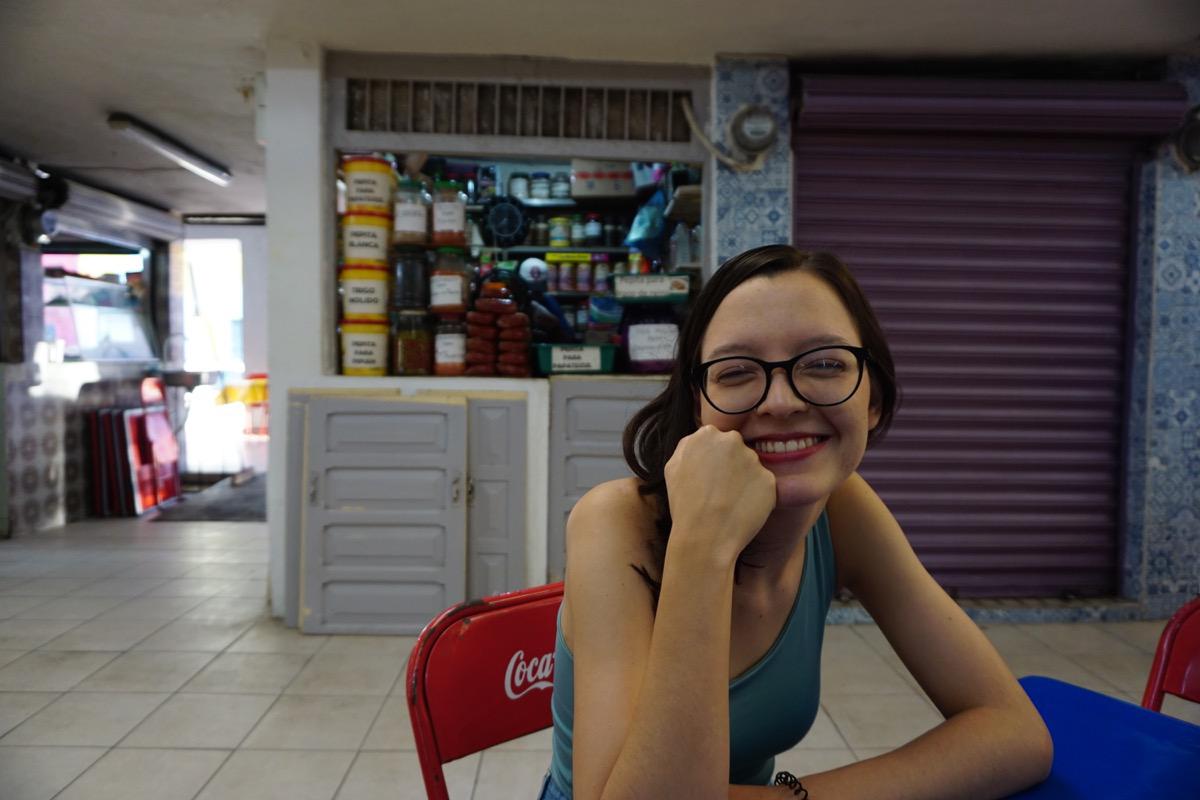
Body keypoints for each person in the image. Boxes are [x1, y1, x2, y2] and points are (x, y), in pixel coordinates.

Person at [538, 245, 1053, 800]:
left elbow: (1015, 733)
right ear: (699, 405)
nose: (780, 403)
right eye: (736, 371)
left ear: (873, 399)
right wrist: (703, 546)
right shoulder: (616, 522)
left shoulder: (842, 508)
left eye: (824, 364)